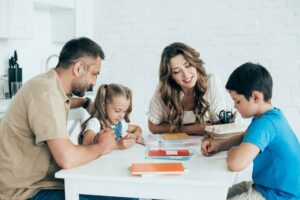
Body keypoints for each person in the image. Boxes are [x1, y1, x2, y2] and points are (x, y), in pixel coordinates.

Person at [0, 37, 135, 200]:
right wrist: (102, 146)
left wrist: (85, 103)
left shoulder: (48, 86)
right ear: (78, 68)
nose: (93, 82)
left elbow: (64, 101)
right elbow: (68, 159)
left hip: (45, 181)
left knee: (124, 193)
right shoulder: (46, 93)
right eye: (94, 74)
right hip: (24, 192)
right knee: (125, 196)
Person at [201, 62, 300, 200]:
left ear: (255, 97)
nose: (235, 106)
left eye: (237, 101)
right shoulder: (270, 117)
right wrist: (218, 145)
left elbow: (236, 164)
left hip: (277, 196)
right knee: (217, 194)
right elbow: (245, 136)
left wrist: (232, 152)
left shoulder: (266, 124)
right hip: (266, 187)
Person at [148, 42, 226, 135]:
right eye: (177, 71)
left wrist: (173, 128)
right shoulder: (164, 88)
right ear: (171, 76)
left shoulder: (212, 82)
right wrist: (193, 129)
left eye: (188, 65)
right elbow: (153, 127)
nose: (186, 74)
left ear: (195, 64)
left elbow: (221, 125)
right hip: (174, 145)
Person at [78, 83, 142, 148]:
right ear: (104, 105)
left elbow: (138, 128)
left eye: (124, 111)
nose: (121, 116)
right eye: (117, 111)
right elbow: (86, 144)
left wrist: (133, 136)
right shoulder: (95, 123)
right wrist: (117, 145)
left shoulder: (119, 124)